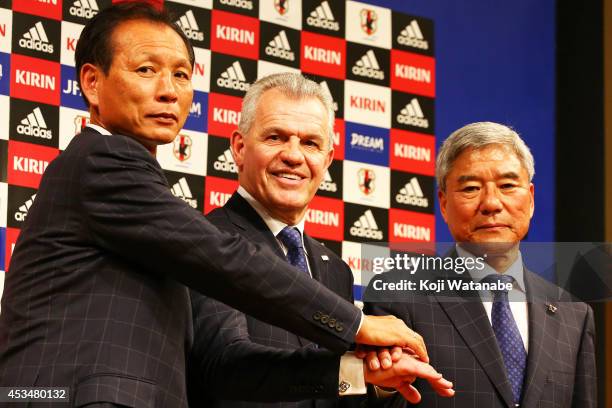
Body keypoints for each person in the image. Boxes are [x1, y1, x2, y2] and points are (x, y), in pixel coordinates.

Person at [0, 4, 427, 407]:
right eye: (146, 70)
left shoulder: (133, 190)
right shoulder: (103, 159)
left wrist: (356, 371)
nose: (168, 91)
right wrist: (357, 325)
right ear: (92, 82)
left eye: (182, 75)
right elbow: (226, 260)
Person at [186, 73, 454, 407]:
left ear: (327, 161)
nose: (294, 156)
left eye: (311, 143)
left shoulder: (335, 269)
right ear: (239, 148)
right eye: (275, 137)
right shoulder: (206, 241)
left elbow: (331, 391)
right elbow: (226, 369)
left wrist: (378, 380)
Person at [365, 122, 596, 408]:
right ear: (444, 203)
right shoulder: (399, 296)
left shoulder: (573, 315)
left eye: (508, 185)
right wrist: (382, 389)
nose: (491, 203)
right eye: (471, 188)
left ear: (532, 199)